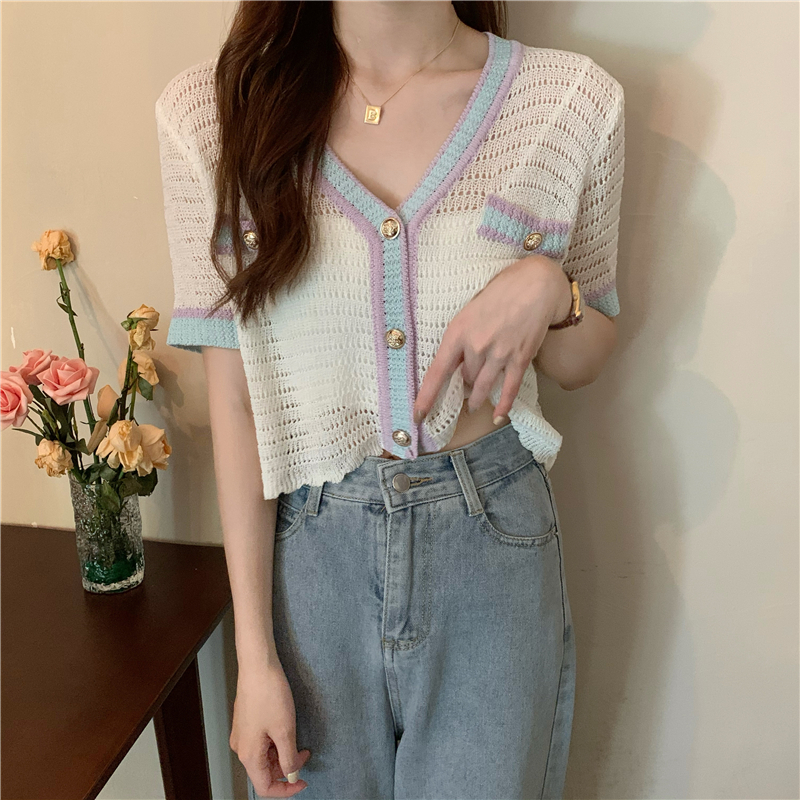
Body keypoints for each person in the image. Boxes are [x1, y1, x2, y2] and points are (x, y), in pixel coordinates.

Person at [155, 1, 624, 798]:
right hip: (311, 560)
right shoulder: (213, 113)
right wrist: (256, 660)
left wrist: (551, 287)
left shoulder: (567, 102)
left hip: (491, 548)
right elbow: (237, 402)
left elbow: (584, 358)